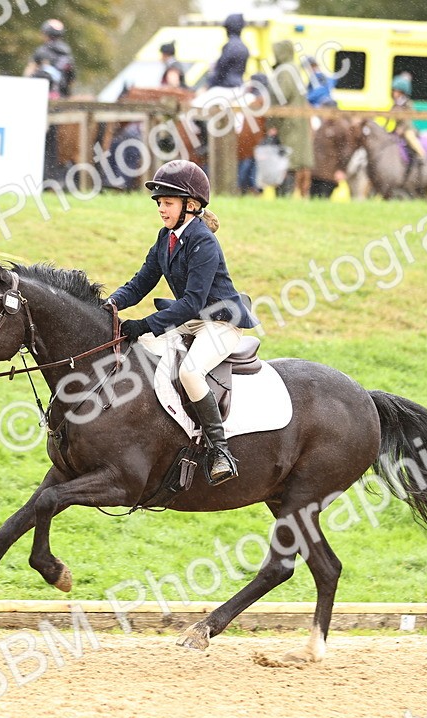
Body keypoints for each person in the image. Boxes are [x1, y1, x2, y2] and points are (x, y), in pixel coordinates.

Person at [106, 160, 259, 486]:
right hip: (192, 319)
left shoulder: (204, 242)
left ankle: (221, 451)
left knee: (190, 371)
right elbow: (139, 284)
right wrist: (109, 305)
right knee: (142, 351)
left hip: (221, 322)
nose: (161, 209)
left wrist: (144, 323)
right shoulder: (166, 238)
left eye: (168, 203)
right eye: (159, 203)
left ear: (190, 206)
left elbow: (192, 301)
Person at [266, 40, 314, 198]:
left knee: (286, 161)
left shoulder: (284, 71)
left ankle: (284, 195)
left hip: (288, 124)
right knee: (295, 159)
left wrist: (271, 121)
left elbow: (281, 96)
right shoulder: (294, 68)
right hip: (297, 123)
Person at [383, 73, 426, 187]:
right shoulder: (395, 104)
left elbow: (408, 119)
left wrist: (402, 129)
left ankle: (421, 154)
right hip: (396, 129)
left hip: (407, 128)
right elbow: (389, 117)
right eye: (394, 91)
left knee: (410, 137)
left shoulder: (408, 104)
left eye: (397, 91)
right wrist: (385, 128)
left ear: (402, 92)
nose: (394, 93)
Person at [23, 19, 74, 98]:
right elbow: (71, 80)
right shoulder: (67, 53)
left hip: (41, 97)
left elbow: (29, 72)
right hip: (61, 97)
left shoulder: (42, 50)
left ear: (46, 34)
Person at [206, 13, 248, 89]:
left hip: (226, 88)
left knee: (199, 101)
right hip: (240, 86)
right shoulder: (244, 47)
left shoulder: (230, 47)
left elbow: (220, 70)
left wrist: (210, 83)